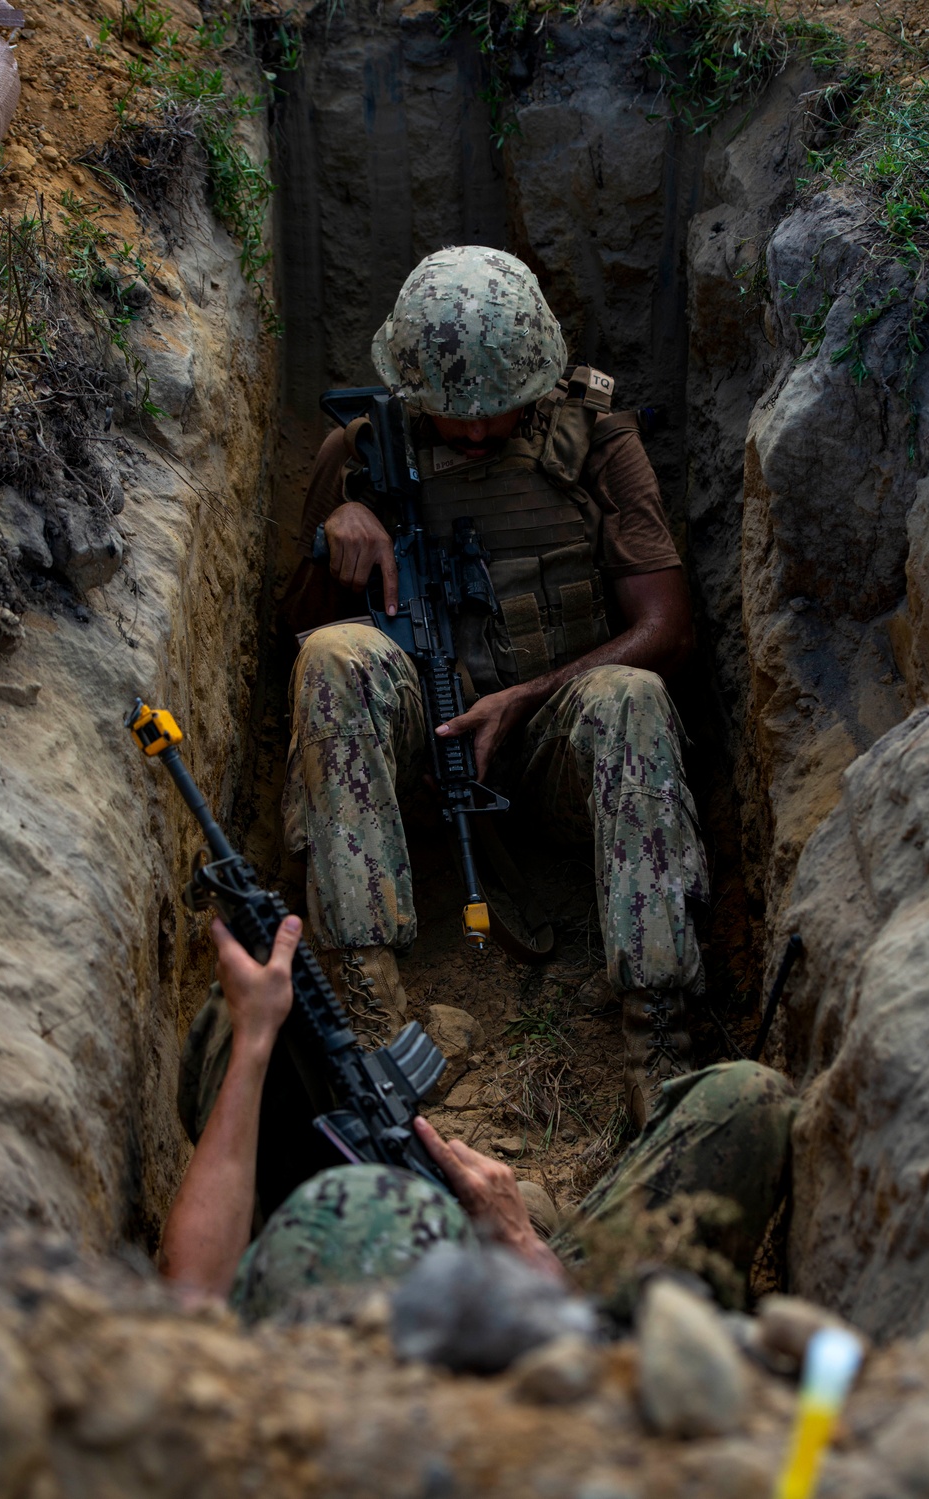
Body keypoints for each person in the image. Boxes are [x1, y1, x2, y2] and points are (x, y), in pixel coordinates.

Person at [280, 245, 709, 1131]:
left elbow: (667, 625)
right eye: (451, 415)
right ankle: (369, 1009)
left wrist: (527, 697)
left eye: (495, 413)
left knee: (631, 694)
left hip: (553, 753)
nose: (474, 434)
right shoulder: (359, 450)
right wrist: (338, 533)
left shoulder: (597, 441)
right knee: (331, 656)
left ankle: (658, 1034)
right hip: (413, 772)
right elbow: (285, 633)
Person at [162, 915, 796, 1321]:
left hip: (346, 1282)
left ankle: (277, 1197)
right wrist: (523, 1247)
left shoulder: (260, 1391)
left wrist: (252, 1042)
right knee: (746, 1099)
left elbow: (193, 1294)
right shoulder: (521, 1391)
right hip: (540, 1304)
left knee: (235, 1019)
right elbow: (585, 1344)